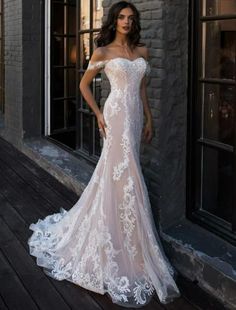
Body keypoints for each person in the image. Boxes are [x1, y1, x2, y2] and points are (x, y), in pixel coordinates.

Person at [28, 1, 181, 307]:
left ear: (134, 22)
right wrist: (98, 114)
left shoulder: (142, 52)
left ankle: (128, 236)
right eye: (121, 17)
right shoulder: (103, 52)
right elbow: (85, 85)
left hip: (134, 116)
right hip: (114, 115)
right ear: (114, 20)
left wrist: (149, 118)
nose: (126, 21)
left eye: (131, 17)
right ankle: (120, 241)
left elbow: (141, 91)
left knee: (127, 170)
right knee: (124, 172)